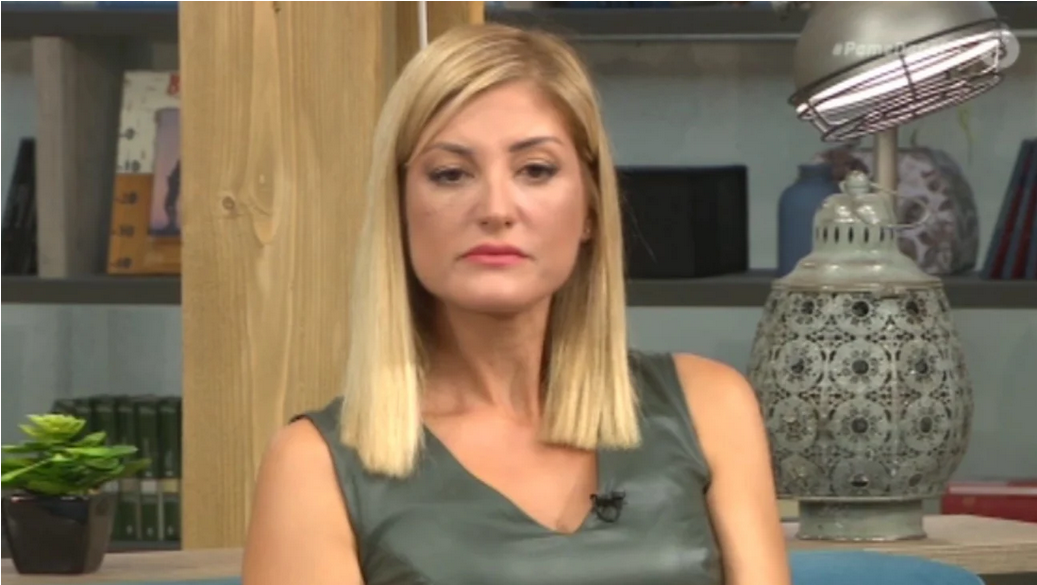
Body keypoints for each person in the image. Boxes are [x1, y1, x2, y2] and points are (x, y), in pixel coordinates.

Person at [242, 23, 790, 585]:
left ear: (591, 208)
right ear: (398, 209)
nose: (496, 209)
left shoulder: (711, 407)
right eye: (451, 174)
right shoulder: (314, 466)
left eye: (535, 170)